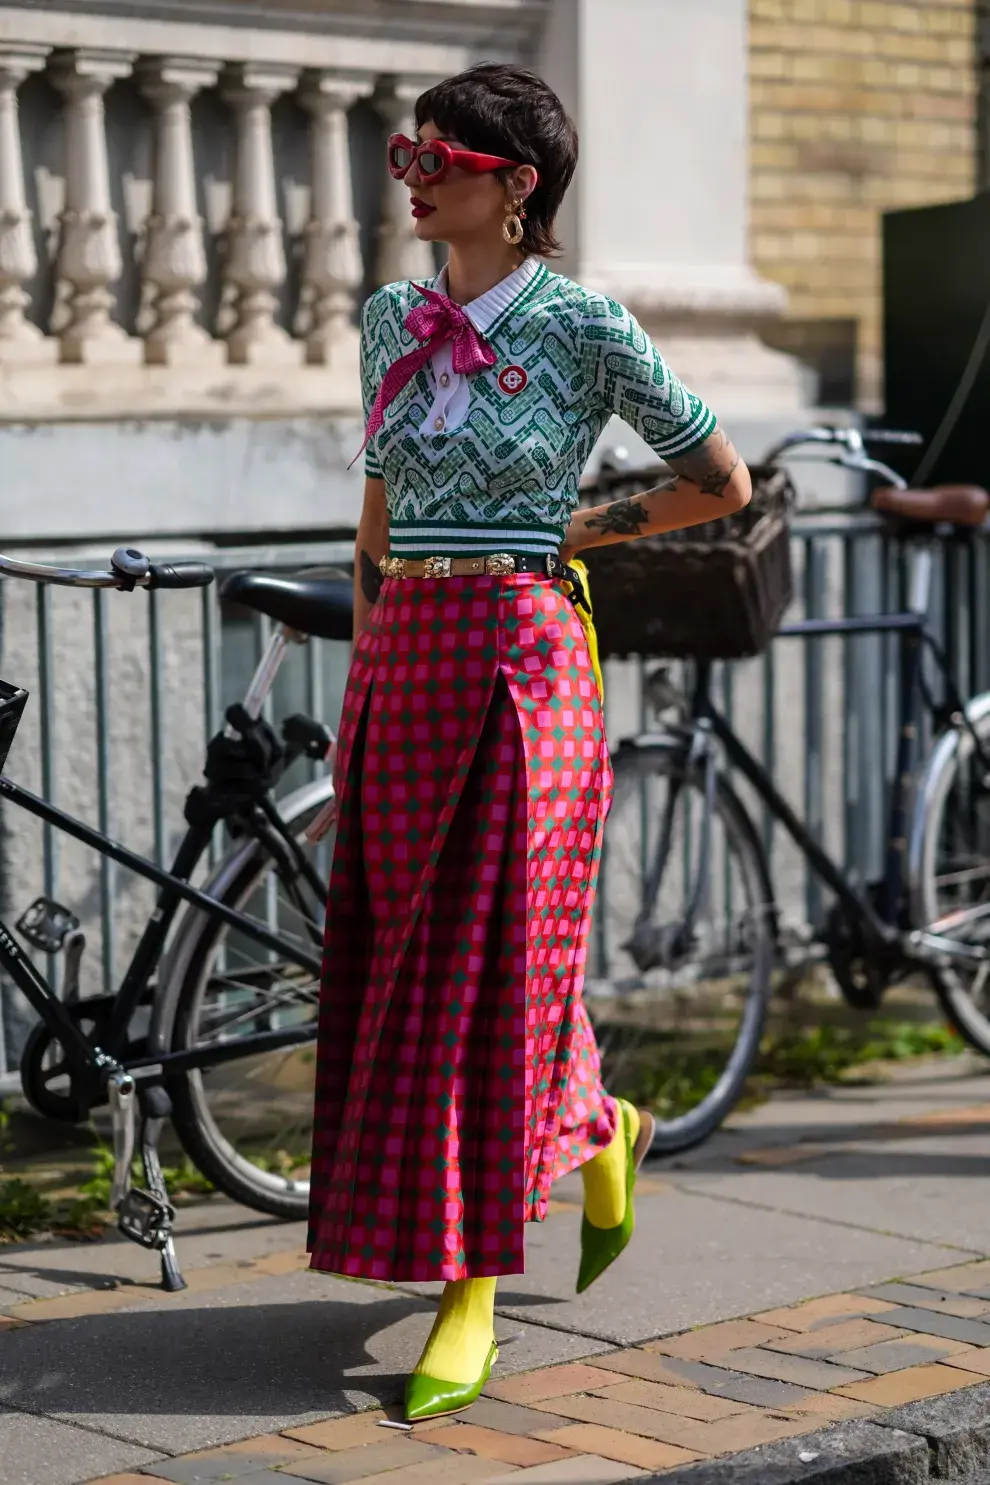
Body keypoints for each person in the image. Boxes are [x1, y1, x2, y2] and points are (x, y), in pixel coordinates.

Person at [308, 61, 751, 1423]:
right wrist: (362, 694)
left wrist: (576, 534)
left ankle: (470, 1287)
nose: (414, 175)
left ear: (515, 186)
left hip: (523, 660)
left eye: (436, 156)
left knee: (495, 961)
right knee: (403, 952)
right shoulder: (390, 319)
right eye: (408, 154)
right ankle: (601, 1130)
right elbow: (375, 535)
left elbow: (717, 483)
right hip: (408, 656)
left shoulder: (582, 325)